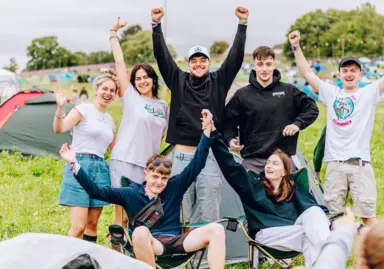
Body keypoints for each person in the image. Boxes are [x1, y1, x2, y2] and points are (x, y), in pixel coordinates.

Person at [58, 109, 226, 268]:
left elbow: (196, 165)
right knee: (139, 232)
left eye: (164, 177)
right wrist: (74, 163)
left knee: (216, 229)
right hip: (152, 243)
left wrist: (207, 133)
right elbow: (97, 192)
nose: (159, 182)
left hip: (176, 241)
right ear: (145, 174)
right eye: (155, 176)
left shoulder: (175, 186)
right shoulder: (131, 193)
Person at [289, 26, 384, 225]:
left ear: (360, 74)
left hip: (360, 163)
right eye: (345, 71)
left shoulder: (368, 93)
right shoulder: (331, 93)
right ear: (339, 75)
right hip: (335, 164)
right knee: (335, 217)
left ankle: (374, 254)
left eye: (353, 70)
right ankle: (340, 253)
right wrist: (296, 47)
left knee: (368, 217)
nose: (349, 74)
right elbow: (307, 73)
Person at [151, 6, 248, 224]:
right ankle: (185, 254)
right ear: (188, 64)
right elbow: (162, 56)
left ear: (209, 63)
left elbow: (235, 57)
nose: (198, 64)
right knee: (180, 210)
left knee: (208, 212)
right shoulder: (177, 79)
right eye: (194, 60)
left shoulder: (219, 81)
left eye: (202, 60)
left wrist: (242, 25)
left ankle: (206, 257)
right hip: (182, 158)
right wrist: (156, 25)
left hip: (210, 156)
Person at [210, 124, 330, 268]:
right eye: (268, 163)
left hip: (293, 233)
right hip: (266, 235)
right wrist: (214, 134)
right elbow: (230, 166)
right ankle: (333, 257)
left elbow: (314, 212)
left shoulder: (293, 189)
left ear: (284, 171)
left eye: (275, 164)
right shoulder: (252, 187)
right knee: (311, 234)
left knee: (314, 212)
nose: (269, 166)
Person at [109, 17, 169, 229]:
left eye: (146, 77)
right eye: (138, 79)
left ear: (153, 79)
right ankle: (117, 257)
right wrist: (113, 34)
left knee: (142, 216)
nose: (142, 81)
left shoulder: (163, 106)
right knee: (122, 218)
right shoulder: (131, 97)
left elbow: (159, 137)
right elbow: (119, 63)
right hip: (124, 161)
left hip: (147, 169)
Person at [223, 46, 319, 173]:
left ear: (274, 65)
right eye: (260, 64)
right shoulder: (242, 95)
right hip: (253, 162)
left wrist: (297, 124)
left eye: (268, 64)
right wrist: (229, 139)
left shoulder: (288, 90)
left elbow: (312, 108)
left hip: (283, 160)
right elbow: (227, 122)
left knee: (287, 193)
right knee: (252, 193)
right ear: (253, 66)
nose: (264, 69)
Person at [53, 69, 117, 243]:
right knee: (78, 226)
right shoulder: (83, 109)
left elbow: (114, 147)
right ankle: (66, 262)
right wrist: (60, 108)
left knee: (92, 225)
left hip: (101, 169)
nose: (108, 93)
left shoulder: (110, 120)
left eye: (112, 91)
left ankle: (85, 262)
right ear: (96, 90)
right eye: (105, 89)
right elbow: (60, 128)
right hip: (79, 165)